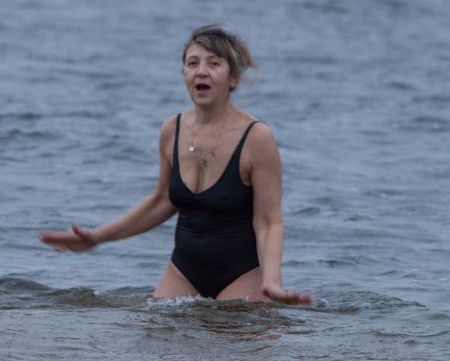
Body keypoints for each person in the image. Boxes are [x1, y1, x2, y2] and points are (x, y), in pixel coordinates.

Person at [40, 25, 311, 305]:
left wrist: (272, 280)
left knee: (243, 341)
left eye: (213, 63)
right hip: (183, 272)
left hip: (242, 274)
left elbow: (269, 221)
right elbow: (163, 200)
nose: (201, 71)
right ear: (184, 74)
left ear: (234, 78)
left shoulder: (257, 138)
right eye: (192, 63)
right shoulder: (172, 129)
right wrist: (97, 237)